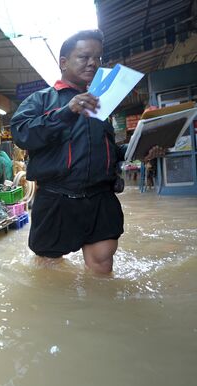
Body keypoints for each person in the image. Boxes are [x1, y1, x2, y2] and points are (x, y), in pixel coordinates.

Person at [11, 29, 164, 274]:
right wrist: (66, 112)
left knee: (102, 264)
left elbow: (108, 150)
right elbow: (22, 134)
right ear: (63, 62)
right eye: (84, 56)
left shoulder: (103, 102)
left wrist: (139, 150)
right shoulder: (41, 100)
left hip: (99, 198)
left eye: (98, 58)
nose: (93, 63)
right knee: (49, 269)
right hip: (56, 199)